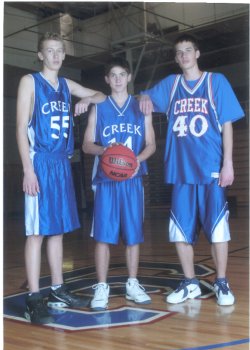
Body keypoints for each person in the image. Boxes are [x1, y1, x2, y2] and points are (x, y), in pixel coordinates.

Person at [139, 34, 245, 306]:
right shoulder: (171, 85)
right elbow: (144, 97)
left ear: (197, 54)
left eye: (188, 50)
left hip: (210, 168)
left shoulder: (215, 81)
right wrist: (143, 98)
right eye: (179, 52)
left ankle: (221, 282)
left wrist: (229, 163)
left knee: (218, 229)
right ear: (176, 58)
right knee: (180, 231)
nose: (184, 55)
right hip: (181, 171)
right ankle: (190, 283)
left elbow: (227, 125)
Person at [16, 32, 106, 324]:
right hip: (39, 162)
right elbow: (19, 128)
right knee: (36, 232)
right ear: (40, 55)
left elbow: (102, 95)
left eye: (59, 51)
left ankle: (57, 289)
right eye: (49, 51)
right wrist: (27, 170)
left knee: (57, 230)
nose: (55, 55)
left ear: (64, 55)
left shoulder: (66, 84)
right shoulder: (30, 82)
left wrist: (87, 100)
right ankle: (33, 298)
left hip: (62, 165)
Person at [82, 57, 156, 311]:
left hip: (133, 179)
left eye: (122, 74)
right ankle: (101, 287)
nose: (117, 79)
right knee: (103, 235)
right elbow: (86, 144)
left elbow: (152, 144)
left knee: (133, 235)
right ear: (106, 80)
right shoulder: (99, 107)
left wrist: (136, 160)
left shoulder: (141, 107)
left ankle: (132, 283)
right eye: (112, 75)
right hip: (105, 181)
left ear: (128, 77)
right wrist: (106, 151)